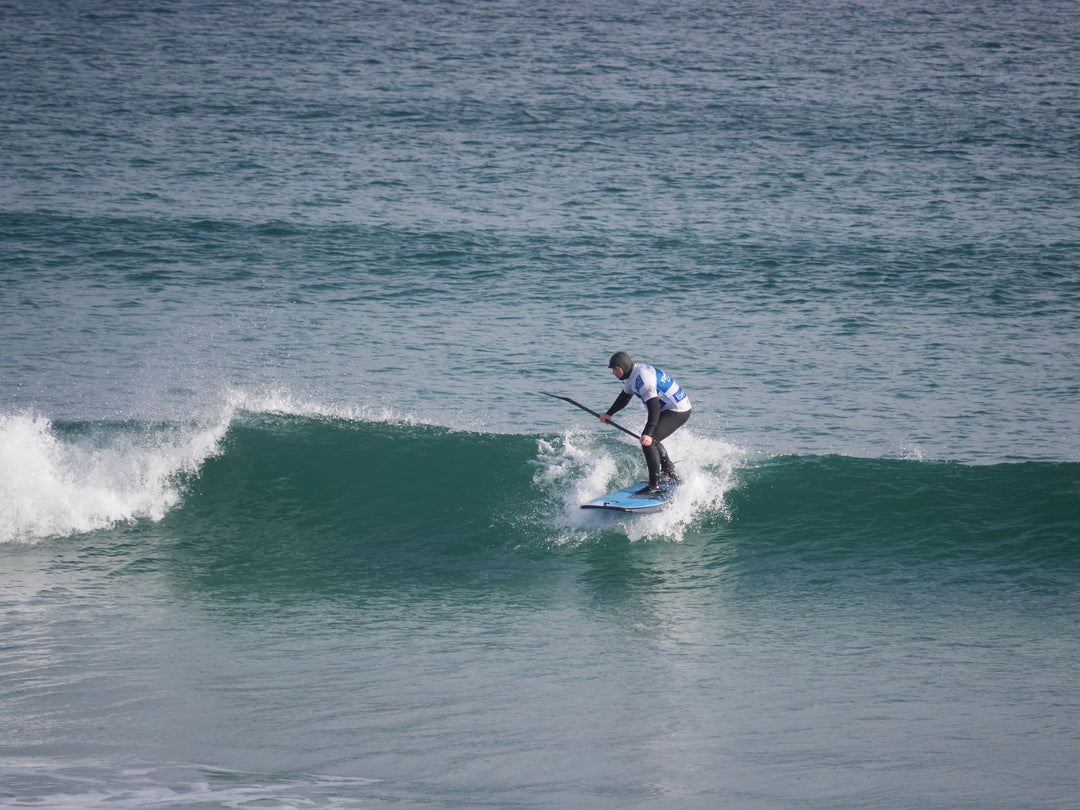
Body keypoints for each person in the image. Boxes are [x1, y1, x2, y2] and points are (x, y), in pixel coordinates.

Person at [600, 351, 691, 494]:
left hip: (678, 409)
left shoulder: (642, 378)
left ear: (621, 368)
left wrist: (648, 434)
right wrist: (609, 414)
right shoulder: (632, 376)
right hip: (667, 409)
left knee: (648, 440)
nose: (613, 373)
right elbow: (625, 397)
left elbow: (654, 408)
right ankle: (669, 471)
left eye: (614, 369)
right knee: (651, 438)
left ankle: (654, 485)